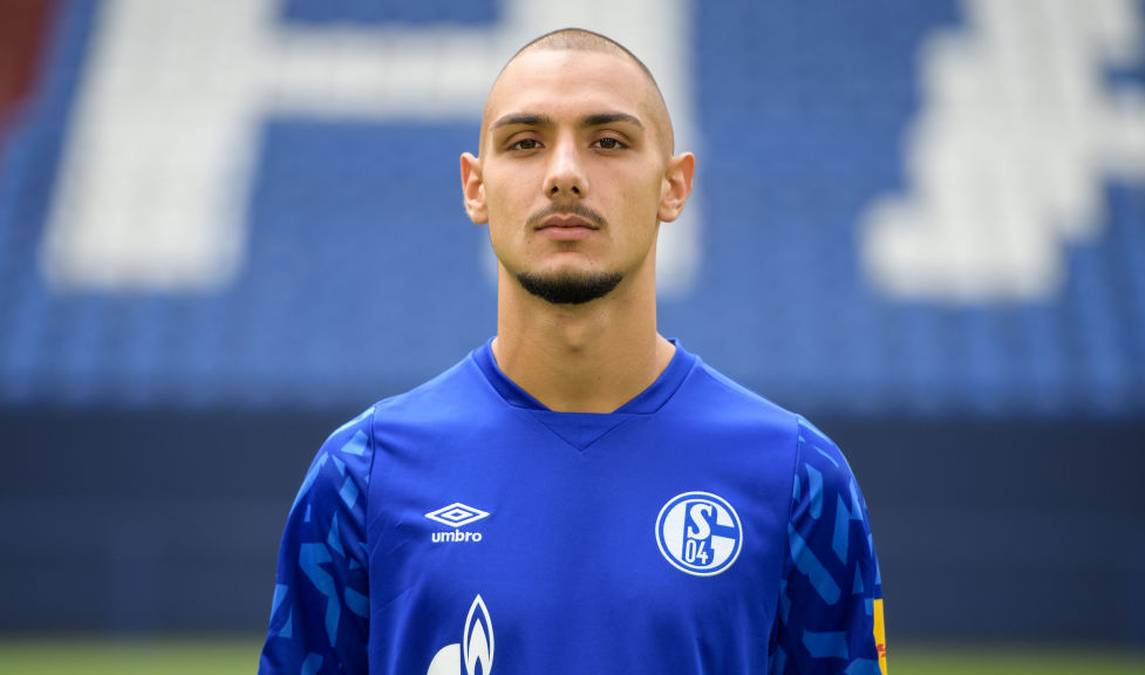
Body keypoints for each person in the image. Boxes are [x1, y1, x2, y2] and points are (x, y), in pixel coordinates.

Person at [258, 27, 887, 675]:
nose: (564, 175)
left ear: (674, 185)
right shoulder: (362, 475)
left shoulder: (798, 478)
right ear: (475, 186)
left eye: (608, 142)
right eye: (525, 143)